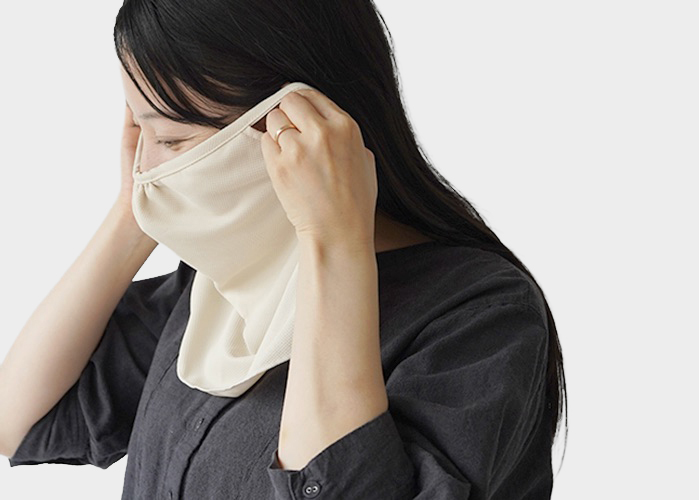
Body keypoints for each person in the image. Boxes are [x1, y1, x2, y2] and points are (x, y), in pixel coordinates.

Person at [0, 1, 567, 498]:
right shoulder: (221, 289)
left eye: (172, 138)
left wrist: (334, 243)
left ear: (300, 123)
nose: (147, 165)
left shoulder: (480, 318)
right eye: (141, 132)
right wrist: (133, 213)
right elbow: (20, 421)